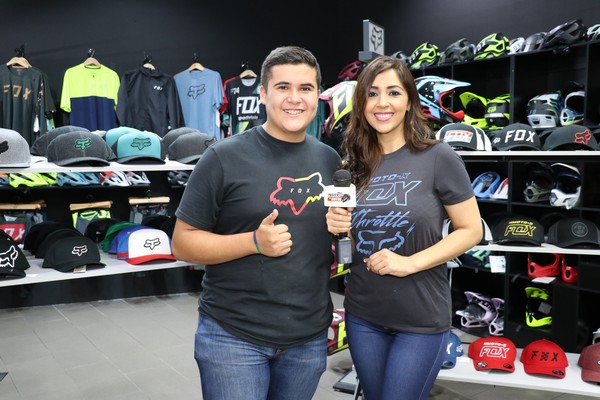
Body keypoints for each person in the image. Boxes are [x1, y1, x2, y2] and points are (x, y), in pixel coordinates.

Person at [171, 46, 341, 400]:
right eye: (282, 87)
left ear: (317, 96)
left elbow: (334, 235)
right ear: (263, 94)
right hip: (233, 337)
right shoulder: (222, 156)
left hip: (308, 337)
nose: (294, 98)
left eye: (305, 88)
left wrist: (343, 227)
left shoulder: (329, 159)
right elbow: (183, 244)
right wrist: (253, 242)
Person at [326, 55, 482, 400]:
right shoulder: (353, 166)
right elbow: (355, 240)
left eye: (393, 93)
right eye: (372, 93)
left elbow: (471, 230)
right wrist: (338, 225)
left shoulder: (439, 157)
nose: (382, 103)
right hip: (363, 316)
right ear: (361, 104)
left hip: (420, 320)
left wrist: (409, 263)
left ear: (410, 101)